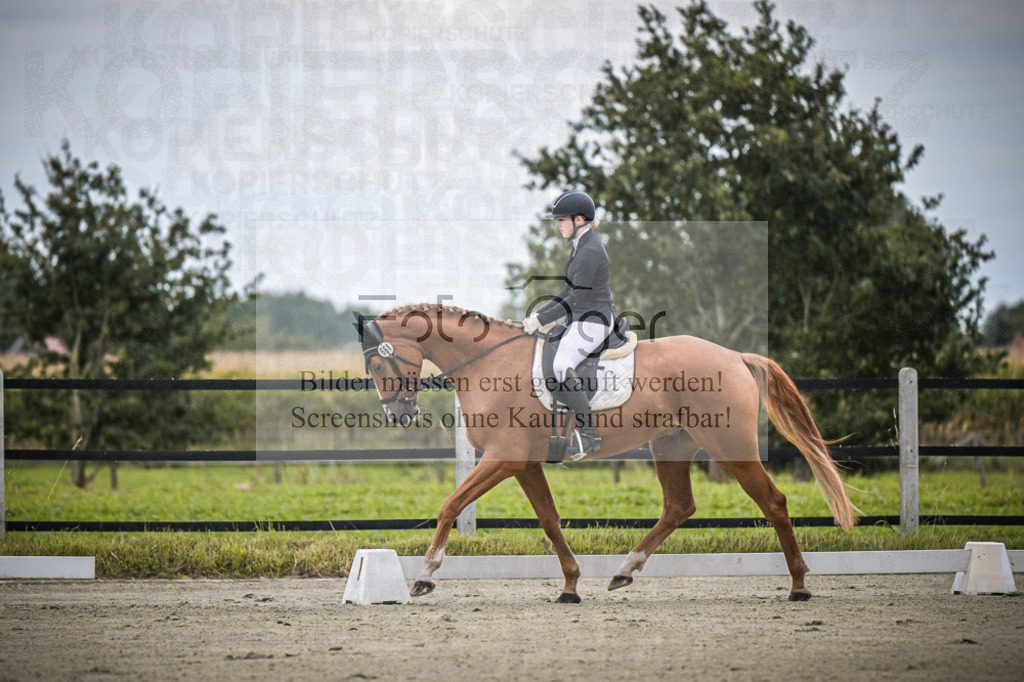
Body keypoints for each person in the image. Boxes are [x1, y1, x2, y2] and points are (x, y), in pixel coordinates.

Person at [522, 190, 616, 457]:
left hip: (595, 319)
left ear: (579, 219)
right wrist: (539, 316)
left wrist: (543, 318)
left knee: (561, 365)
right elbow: (568, 291)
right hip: (581, 318)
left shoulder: (590, 250)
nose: (557, 224)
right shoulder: (580, 247)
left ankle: (588, 435)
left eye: (561, 219)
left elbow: (577, 296)